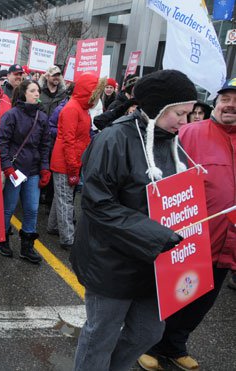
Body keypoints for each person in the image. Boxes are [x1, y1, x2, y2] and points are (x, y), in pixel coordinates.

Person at [71, 69, 198, 371]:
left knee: (148, 332)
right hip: (112, 262)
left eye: (189, 113)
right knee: (101, 334)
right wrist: (155, 233)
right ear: (158, 107)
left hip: (155, 262)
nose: (186, 121)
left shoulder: (171, 140)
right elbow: (97, 203)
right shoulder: (114, 139)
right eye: (180, 113)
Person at [138, 76, 236, 371]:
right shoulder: (190, 133)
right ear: (216, 103)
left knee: (202, 301)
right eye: (226, 99)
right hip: (191, 238)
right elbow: (164, 176)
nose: (230, 105)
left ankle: (174, 346)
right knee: (173, 293)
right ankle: (147, 344)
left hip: (226, 243)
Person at [0, 79, 51, 261]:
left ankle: (27, 246)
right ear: (24, 93)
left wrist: (44, 168)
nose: (37, 94)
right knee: (9, 208)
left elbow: (44, 146)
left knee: (32, 209)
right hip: (15, 170)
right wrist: (7, 167)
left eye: (38, 91)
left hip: (33, 170)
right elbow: (2, 143)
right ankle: (2, 240)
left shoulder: (42, 117)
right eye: (33, 91)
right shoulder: (11, 115)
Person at [47, 73, 104, 250]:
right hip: (65, 162)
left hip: (70, 161)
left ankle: (53, 226)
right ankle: (68, 238)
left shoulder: (80, 108)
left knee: (61, 196)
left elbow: (82, 138)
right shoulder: (73, 109)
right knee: (66, 200)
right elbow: (68, 142)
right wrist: (73, 169)